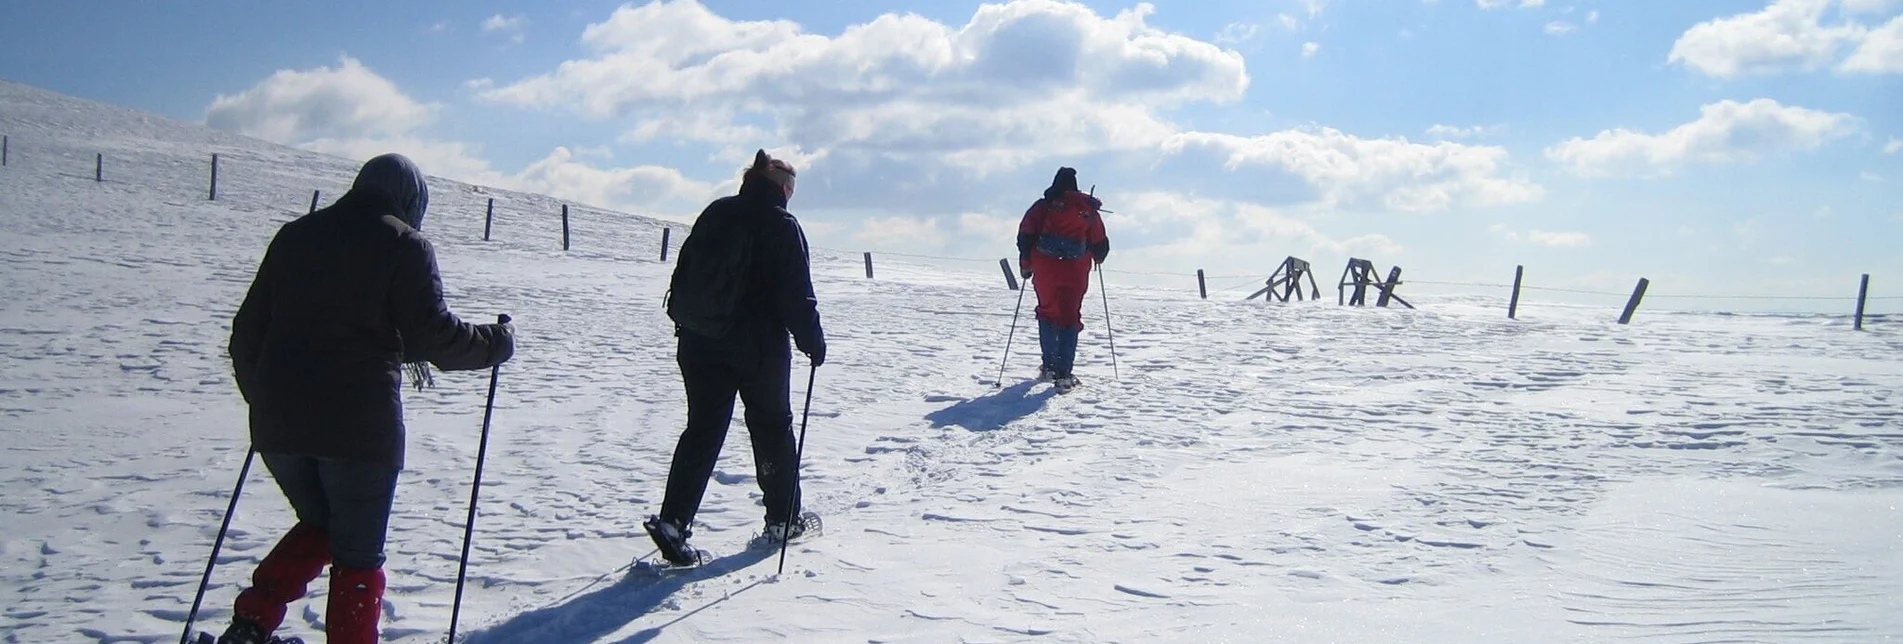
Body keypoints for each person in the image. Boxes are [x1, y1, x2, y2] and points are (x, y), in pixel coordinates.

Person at [220, 153, 515, 644]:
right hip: (359, 431)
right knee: (357, 552)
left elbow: (246, 337)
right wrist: (496, 343)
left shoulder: (294, 236)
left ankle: (251, 623)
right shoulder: (404, 244)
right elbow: (432, 338)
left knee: (321, 525)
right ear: (411, 199)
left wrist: (268, 400)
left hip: (278, 427)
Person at [645, 149, 825, 566]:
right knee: (771, 427)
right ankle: (783, 521)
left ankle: (673, 522)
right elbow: (796, 294)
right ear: (783, 188)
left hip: (698, 339)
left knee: (703, 428)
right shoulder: (782, 224)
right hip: (758, 345)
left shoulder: (717, 212)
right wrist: (812, 341)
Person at [1016, 167, 1109, 394]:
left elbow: (1025, 236)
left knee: (1047, 312)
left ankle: (1049, 366)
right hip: (1075, 271)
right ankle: (1064, 374)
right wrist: (1096, 257)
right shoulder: (1087, 210)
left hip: (1045, 267)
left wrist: (1026, 265)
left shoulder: (1043, 206)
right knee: (1070, 317)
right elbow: (1101, 246)